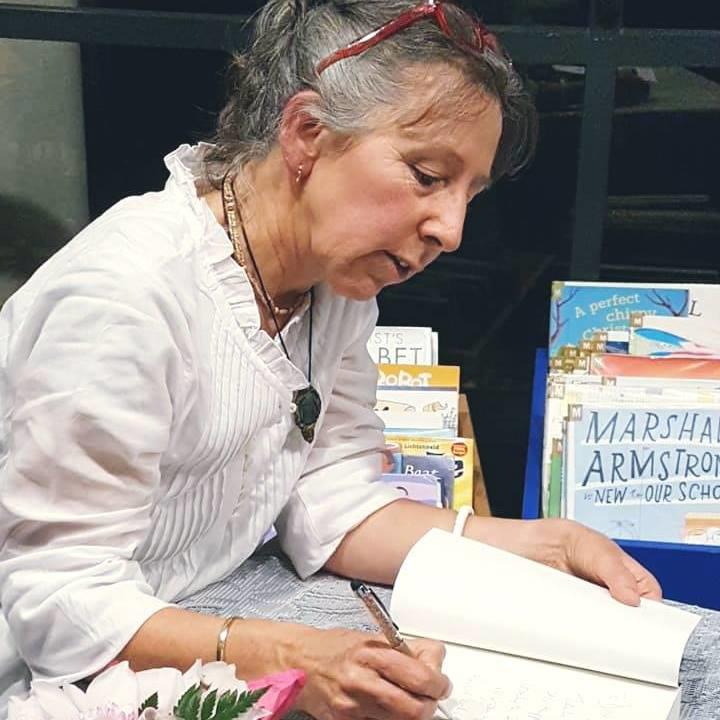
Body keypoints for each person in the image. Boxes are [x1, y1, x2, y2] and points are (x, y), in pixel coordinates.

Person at [0, 1, 661, 718]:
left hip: (184, 632)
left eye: (469, 193)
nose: (452, 230)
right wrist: (290, 657)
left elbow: (335, 507)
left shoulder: (331, 287)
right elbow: (58, 604)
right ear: (307, 133)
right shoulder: (123, 298)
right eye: (427, 175)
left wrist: (542, 546)